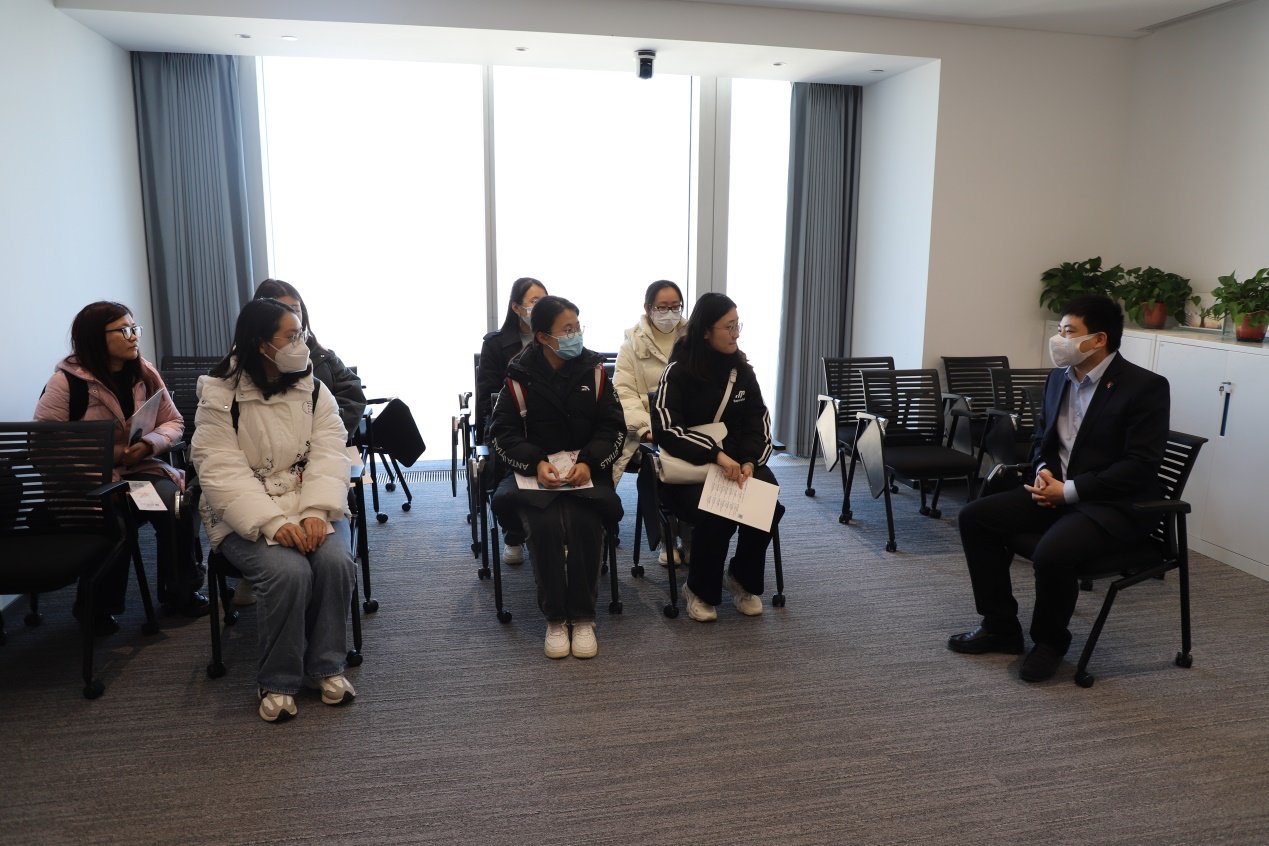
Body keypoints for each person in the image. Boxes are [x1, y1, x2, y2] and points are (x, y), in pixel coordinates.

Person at [948, 294, 1170, 682]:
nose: (1059, 338)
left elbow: (1139, 466)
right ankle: (1000, 627)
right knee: (974, 518)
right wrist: (1043, 470)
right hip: (1055, 491)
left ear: (1098, 339)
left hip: (1110, 504)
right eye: (1060, 330)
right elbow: (1042, 439)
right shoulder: (1057, 378)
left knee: (1052, 552)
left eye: (1069, 331)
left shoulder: (1144, 387)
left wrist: (1068, 491)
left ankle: (1049, 643)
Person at [191, 298, 357, 722]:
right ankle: (278, 680)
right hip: (243, 512)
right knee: (288, 572)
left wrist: (316, 510)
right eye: (291, 335)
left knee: (336, 562)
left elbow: (330, 452)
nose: (301, 343)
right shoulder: (219, 394)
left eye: (301, 333)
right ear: (260, 344)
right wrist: (272, 522)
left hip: (309, 501)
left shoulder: (313, 387)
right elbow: (218, 469)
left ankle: (325, 667)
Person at [34, 301, 208, 626]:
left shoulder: (144, 371)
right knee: (117, 524)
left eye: (134, 328)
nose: (134, 336)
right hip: (87, 486)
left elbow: (173, 421)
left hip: (134, 477)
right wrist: (107, 483)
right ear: (95, 338)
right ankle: (96, 607)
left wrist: (149, 444)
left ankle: (180, 591)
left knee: (175, 505)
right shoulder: (65, 384)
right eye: (124, 330)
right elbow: (47, 449)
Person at [489, 295, 625, 660]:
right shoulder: (518, 377)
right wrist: (535, 462)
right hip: (536, 476)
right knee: (544, 525)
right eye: (567, 330)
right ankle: (555, 619)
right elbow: (501, 434)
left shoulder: (595, 371)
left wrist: (590, 461)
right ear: (543, 337)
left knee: (585, 522)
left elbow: (613, 427)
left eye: (577, 328)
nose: (575, 335)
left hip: (584, 473)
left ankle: (582, 618)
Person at [652, 292, 784, 622]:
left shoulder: (742, 371)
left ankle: (740, 578)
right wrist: (716, 455)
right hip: (690, 471)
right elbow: (667, 429)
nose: (736, 333)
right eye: (729, 327)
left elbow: (759, 421)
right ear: (706, 331)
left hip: (739, 465)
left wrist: (751, 462)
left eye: (738, 325)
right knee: (718, 512)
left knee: (767, 503)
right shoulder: (678, 371)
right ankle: (699, 589)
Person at [613, 280, 690, 564]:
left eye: (675, 307)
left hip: (686, 428)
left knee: (697, 461)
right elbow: (625, 395)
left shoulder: (694, 340)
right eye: (662, 307)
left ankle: (691, 536)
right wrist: (649, 429)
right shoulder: (630, 346)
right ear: (648, 308)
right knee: (658, 465)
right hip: (645, 433)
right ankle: (667, 538)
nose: (670, 314)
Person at [477, 277, 548, 565]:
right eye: (534, 302)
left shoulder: (557, 337)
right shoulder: (496, 344)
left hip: (549, 423)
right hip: (509, 423)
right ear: (516, 308)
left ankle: (564, 530)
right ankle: (514, 533)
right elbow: (487, 398)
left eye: (544, 300)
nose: (540, 307)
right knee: (510, 461)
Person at [252, 279, 366, 438]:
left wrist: (327, 428)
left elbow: (352, 396)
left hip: (326, 438)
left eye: (295, 309)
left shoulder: (322, 353)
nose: (291, 315)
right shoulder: (244, 365)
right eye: (282, 309)